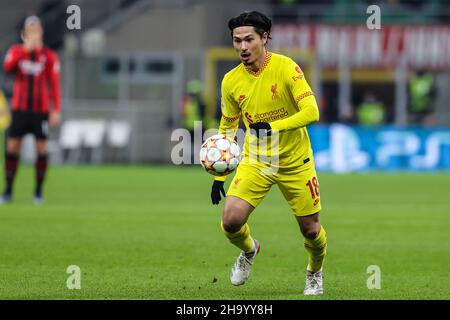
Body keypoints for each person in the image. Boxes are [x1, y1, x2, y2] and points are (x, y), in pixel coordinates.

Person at [210, 11, 327, 295]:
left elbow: (312, 111)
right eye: (236, 41)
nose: (242, 47)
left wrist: (273, 126)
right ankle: (250, 250)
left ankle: (314, 271)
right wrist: (218, 175)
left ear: (264, 38)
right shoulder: (230, 81)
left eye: (248, 39)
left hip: (295, 161)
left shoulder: (286, 68)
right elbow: (228, 124)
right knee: (231, 221)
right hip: (256, 160)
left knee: (311, 230)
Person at [1, 16, 61, 204]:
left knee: (41, 149)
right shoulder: (16, 51)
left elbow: (54, 84)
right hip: (20, 109)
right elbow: (7, 67)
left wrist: (55, 109)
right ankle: (8, 190)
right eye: (30, 30)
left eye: (37, 30)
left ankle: (38, 192)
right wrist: (25, 50)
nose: (34, 34)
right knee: (12, 146)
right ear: (25, 33)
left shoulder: (49, 56)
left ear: (41, 32)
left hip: (40, 111)